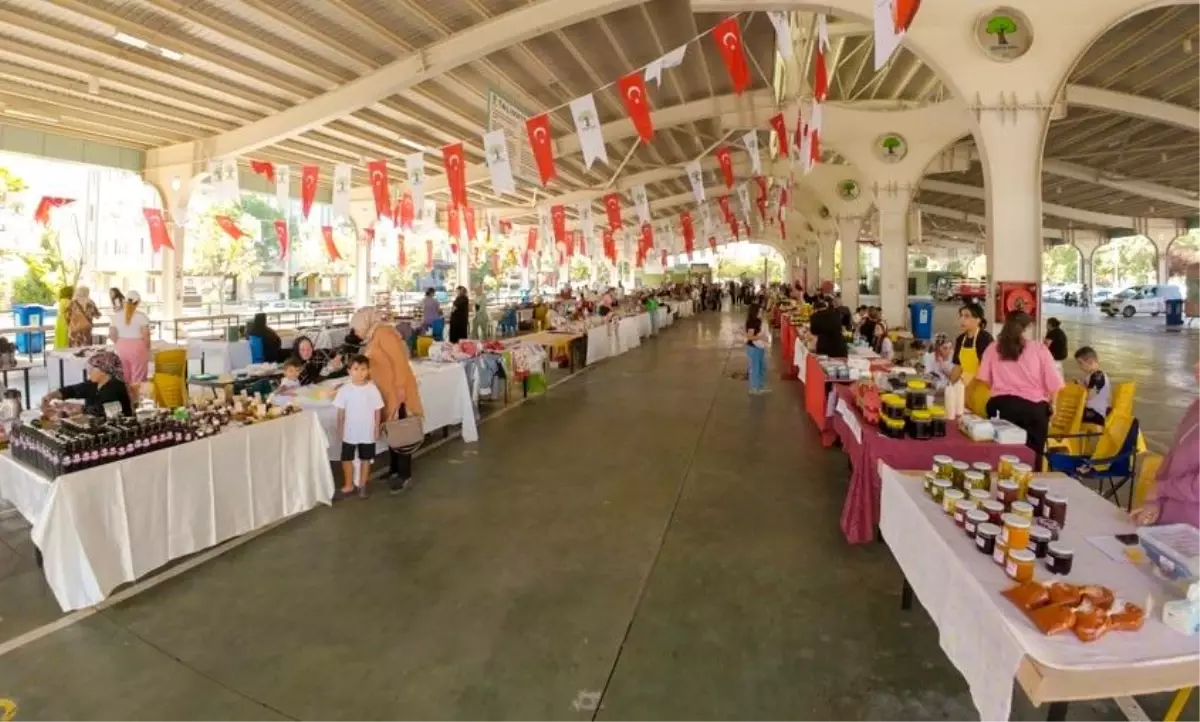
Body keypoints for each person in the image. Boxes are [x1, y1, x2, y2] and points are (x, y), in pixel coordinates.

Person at [977, 311, 1064, 468]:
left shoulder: (992, 348)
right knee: (1032, 456)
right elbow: (1054, 383)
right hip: (1033, 410)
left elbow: (985, 380)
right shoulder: (1039, 349)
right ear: (1028, 328)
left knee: (1001, 455)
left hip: (1000, 407)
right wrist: (1054, 405)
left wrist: (1001, 392)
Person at [352, 307, 423, 493]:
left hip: (397, 391)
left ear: (365, 322)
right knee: (391, 429)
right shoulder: (374, 336)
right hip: (385, 391)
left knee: (401, 430)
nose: (356, 332)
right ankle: (393, 469)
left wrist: (400, 388)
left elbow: (400, 361)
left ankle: (404, 474)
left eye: (357, 328)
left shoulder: (385, 333)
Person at [1132, 360, 1200, 527]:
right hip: (1167, 518)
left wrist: (1161, 489)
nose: (1196, 366)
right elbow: (1172, 456)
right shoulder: (1196, 407)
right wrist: (1155, 502)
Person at [333, 355, 385, 501]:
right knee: (346, 458)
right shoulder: (345, 390)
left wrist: (376, 428)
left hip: (367, 431)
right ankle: (348, 484)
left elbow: (378, 410)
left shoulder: (372, 389)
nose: (360, 373)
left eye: (363, 369)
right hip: (349, 431)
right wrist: (340, 428)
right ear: (349, 371)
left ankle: (362, 484)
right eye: (356, 369)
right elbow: (341, 412)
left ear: (368, 371)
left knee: (366, 458)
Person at [41, 350, 132, 418]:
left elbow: (103, 411)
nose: (89, 371)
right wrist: (53, 395)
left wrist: (78, 408)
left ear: (104, 370)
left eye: (92, 368)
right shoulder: (95, 383)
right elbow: (74, 390)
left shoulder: (115, 386)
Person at [109, 290, 151, 393]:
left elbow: (112, 334)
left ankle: (126, 399)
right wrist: (147, 348)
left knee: (124, 374)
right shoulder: (141, 316)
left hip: (121, 346)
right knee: (138, 375)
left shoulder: (116, 316)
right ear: (138, 303)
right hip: (138, 346)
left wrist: (119, 343)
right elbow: (146, 335)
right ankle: (137, 400)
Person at [951, 302, 993, 384]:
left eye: (966, 316)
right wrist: (950, 386)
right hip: (965, 388)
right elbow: (958, 367)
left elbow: (987, 370)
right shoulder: (960, 339)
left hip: (982, 388)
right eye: (961, 316)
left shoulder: (985, 339)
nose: (962, 319)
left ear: (978, 320)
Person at [1074, 346, 1111, 426]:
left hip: (1096, 413)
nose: (1079, 366)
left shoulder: (1098, 376)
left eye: (1080, 363)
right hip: (1092, 411)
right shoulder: (1092, 375)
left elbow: (1089, 396)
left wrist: (1080, 386)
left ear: (1090, 362)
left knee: (1070, 414)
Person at [744, 303, 767, 394]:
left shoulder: (759, 321)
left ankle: (760, 386)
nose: (762, 313)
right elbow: (749, 337)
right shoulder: (752, 323)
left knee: (761, 367)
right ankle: (754, 387)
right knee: (755, 368)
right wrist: (761, 338)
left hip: (760, 346)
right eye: (760, 312)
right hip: (753, 348)